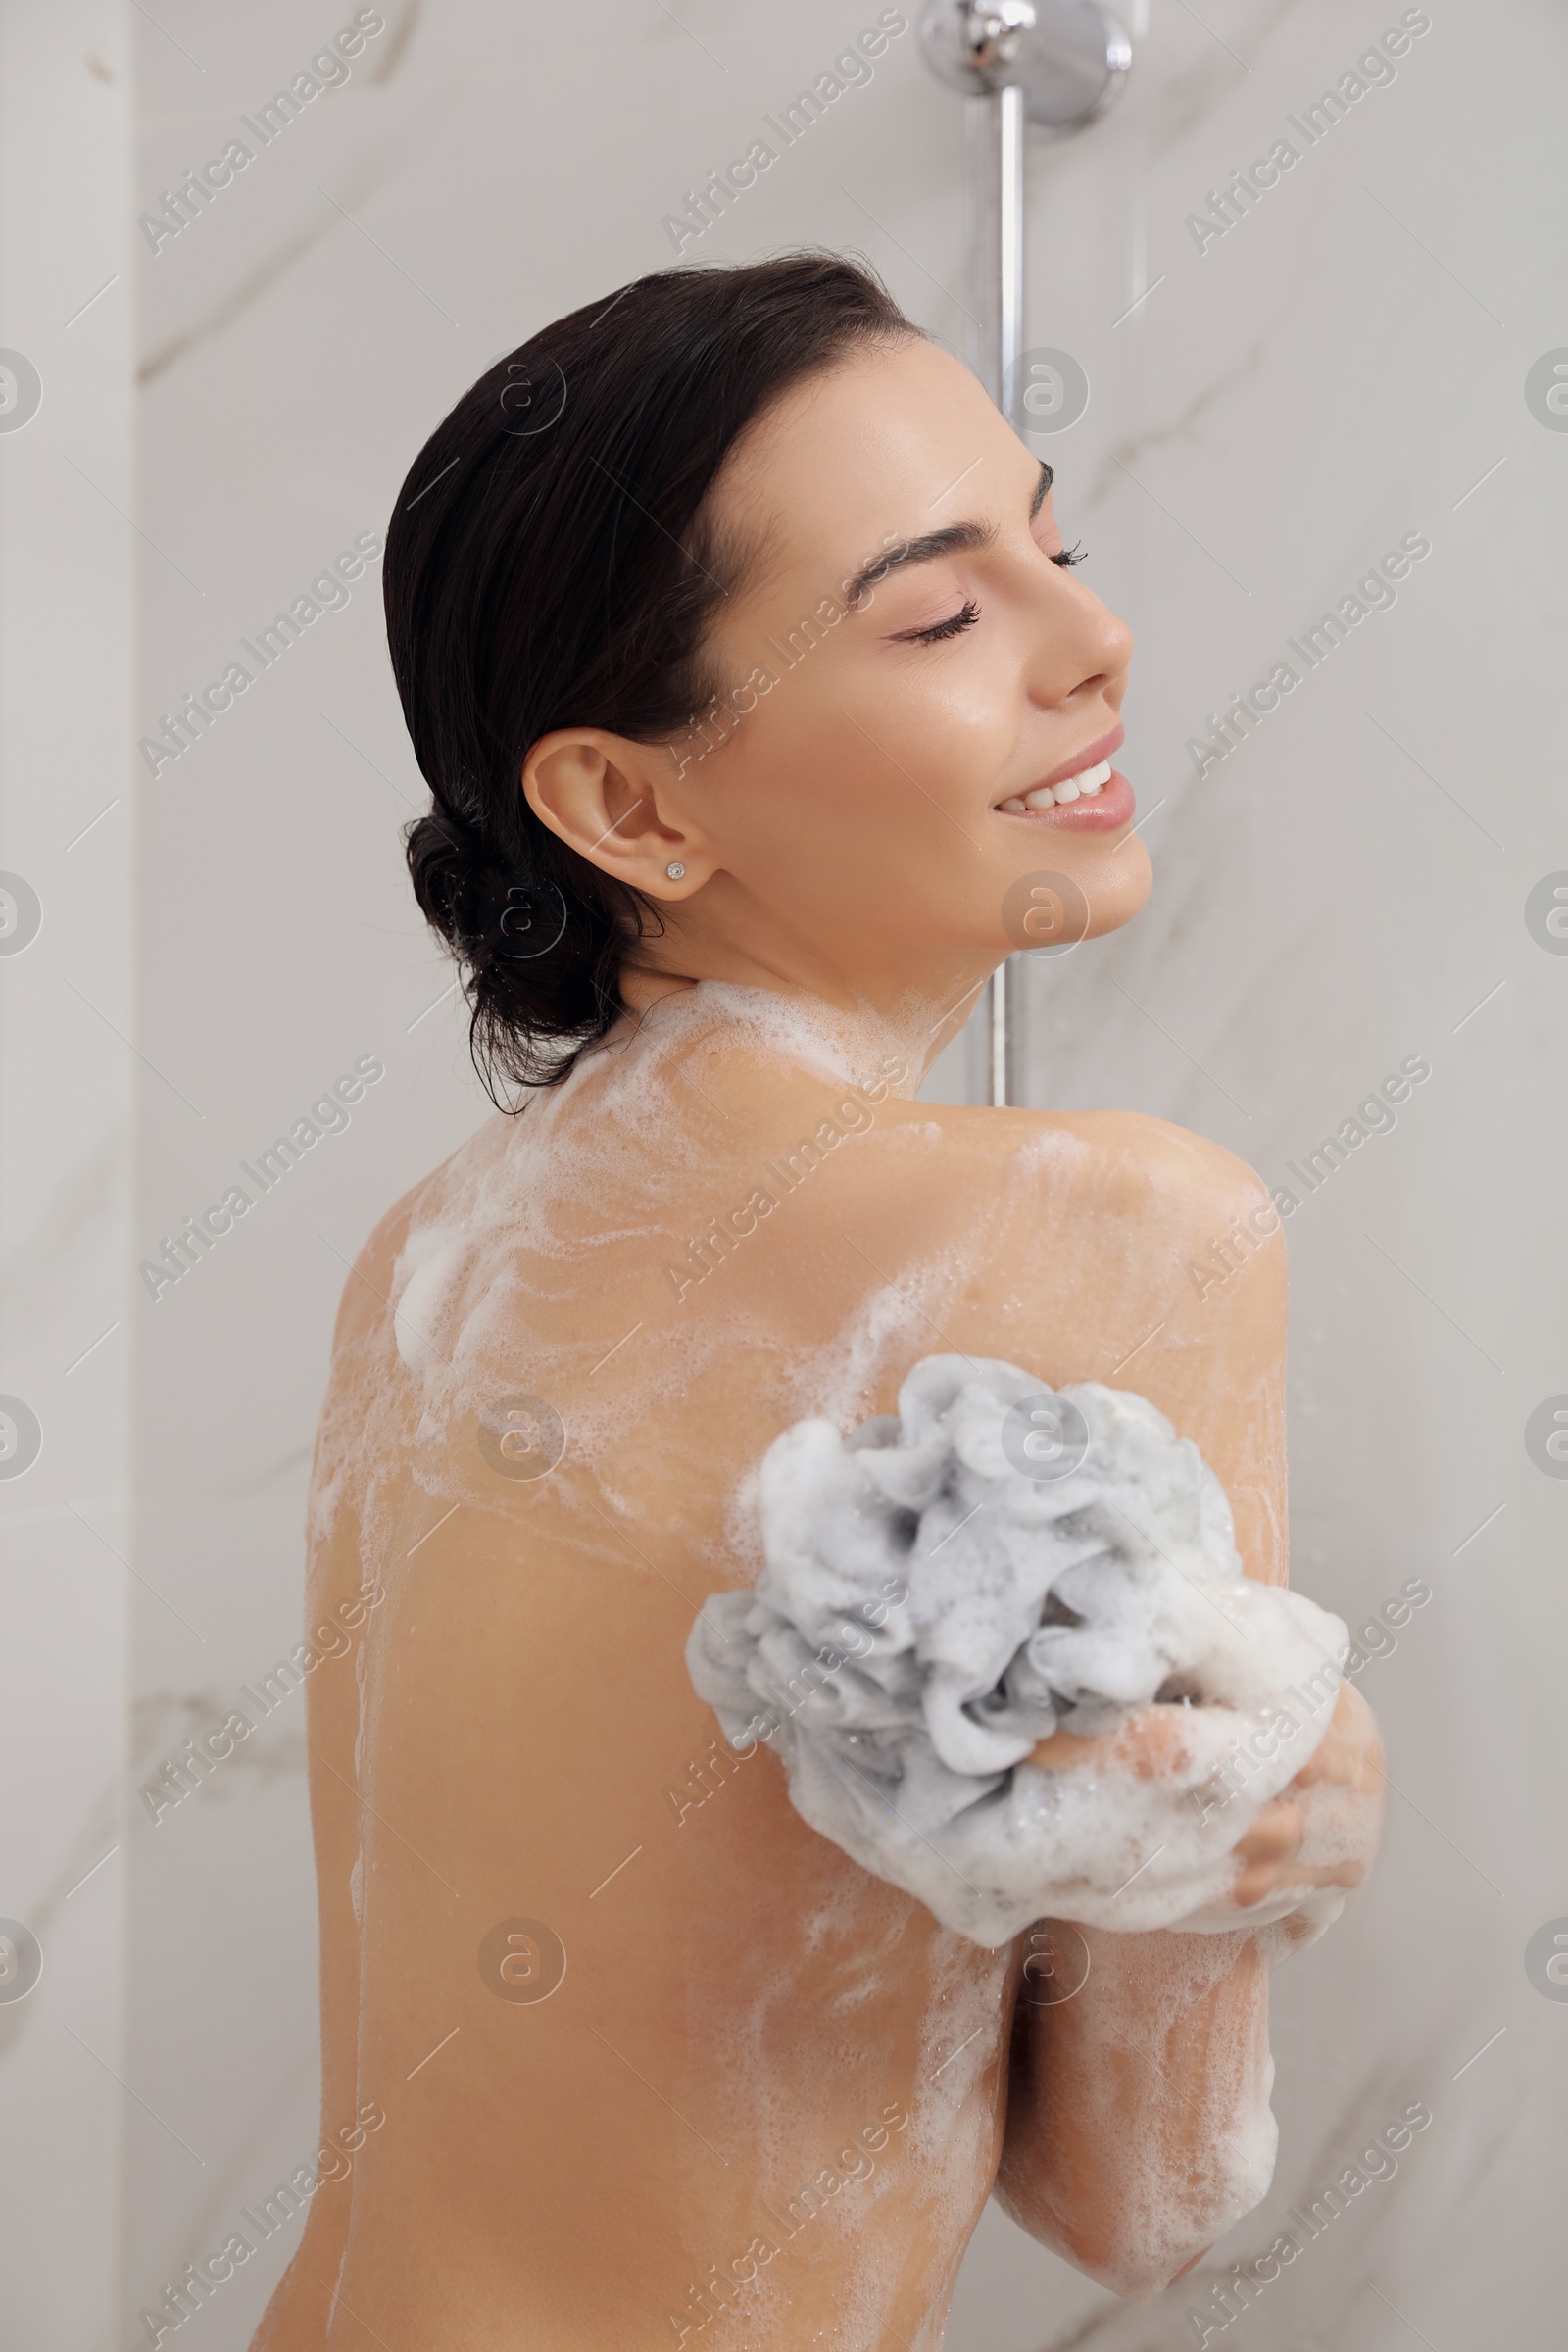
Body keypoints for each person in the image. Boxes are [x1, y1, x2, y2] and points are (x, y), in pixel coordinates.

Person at [253, 253, 1381, 2351]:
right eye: (941, 612)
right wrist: (1275, 1822)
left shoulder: (423, 1252)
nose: (1090, 639)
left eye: (1054, 547)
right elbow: (1137, 2199)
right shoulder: (1116, 1226)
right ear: (629, 805)